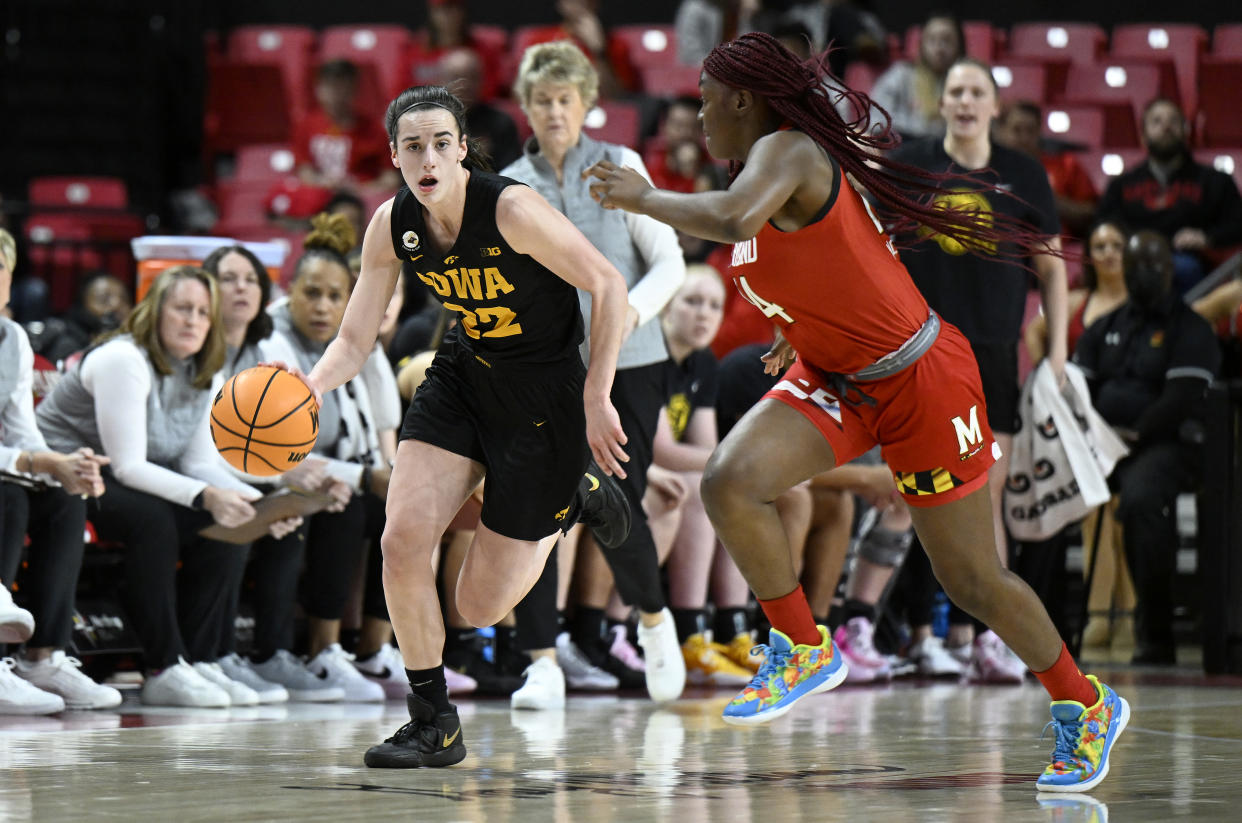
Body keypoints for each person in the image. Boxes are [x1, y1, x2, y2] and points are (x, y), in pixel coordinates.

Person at [585, 33, 1127, 791]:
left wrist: (642, 195)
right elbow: (825, 258)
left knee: (970, 577)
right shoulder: (762, 166)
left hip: (921, 380)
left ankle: (1084, 700)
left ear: (745, 101)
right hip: (837, 372)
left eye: (707, 104)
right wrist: (791, 326)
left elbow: (739, 221)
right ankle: (803, 645)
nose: (699, 119)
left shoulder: (792, 151)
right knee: (729, 480)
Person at [286, 85, 633, 768]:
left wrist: (598, 394)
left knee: (475, 605)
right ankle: (432, 721)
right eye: (413, 145)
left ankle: (572, 498)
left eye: (441, 142)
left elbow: (608, 285)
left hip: (545, 396)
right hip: (463, 376)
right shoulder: (392, 222)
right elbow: (354, 341)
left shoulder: (510, 209)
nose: (428, 156)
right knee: (402, 538)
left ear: (462, 149)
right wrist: (307, 388)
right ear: (393, 155)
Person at [501, 40, 687, 708]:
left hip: (632, 366)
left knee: (614, 502)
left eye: (565, 100)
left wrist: (629, 314)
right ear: (525, 107)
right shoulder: (510, 187)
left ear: (587, 105)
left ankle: (654, 618)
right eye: (542, 100)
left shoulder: (620, 165)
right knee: (533, 510)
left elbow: (670, 262)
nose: (554, 111)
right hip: (547, 375)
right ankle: (541, 660)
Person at [887, 57, 1070, 681]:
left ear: (994, 106)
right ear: (942, 104)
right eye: (956, 92)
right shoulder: (910, 165)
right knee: (921, 488)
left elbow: (1052, 268)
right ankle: (930, 633)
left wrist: (1060, 351)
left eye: (977, 93)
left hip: (991, 356)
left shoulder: (1022, 173)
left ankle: (991, 637)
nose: (966, 102)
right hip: (921, 350)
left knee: (983, 491)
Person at [34, 266, 273, 708]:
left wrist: (259, 504)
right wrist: (208, 496)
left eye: (203, 312)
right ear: (155, 311)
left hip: (122, 478)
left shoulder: (206, 372)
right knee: (155, 520)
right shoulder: (123, 359)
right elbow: (127, 467)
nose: (193, 321)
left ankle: (201, 660)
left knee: (228, 520)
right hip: (60, 474)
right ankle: (162, 666)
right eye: (182, 309)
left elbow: (197, 462)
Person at [1073, 230, 1220, 665]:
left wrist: (1133, 434)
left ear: (1171, 270)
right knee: (1046, 487)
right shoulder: (1105, 327)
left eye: (1154, 265)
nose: (1144, 274)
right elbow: (1078, 391)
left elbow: (1183, 398)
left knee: (1140, 499)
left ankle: (1155, 634)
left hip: (1166, 445)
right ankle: (1045, 630)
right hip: (1102, 445)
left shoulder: (1191, 327)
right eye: (1137, 266)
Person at [0, 229, 118, 714]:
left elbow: (22, 431)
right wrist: (32, 462)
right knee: (8, 490)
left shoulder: (12, 340)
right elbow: (21, 456)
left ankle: (42, 658)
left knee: (64, 495)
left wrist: (64, 466)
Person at [650, 264, 755, 685]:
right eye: (691, 302)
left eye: (714, 305)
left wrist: (741, 470)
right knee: (698, 487)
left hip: (664, 469)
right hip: (631, 466)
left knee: (730, 487)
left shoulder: (704, 362)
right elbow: (664, 450)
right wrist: (745, 462)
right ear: (665, 308)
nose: (703, 314)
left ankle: (733, 630)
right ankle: (689, 633)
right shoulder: (649, 352)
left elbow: (707, 448)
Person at [1097, 98, 1242, 296]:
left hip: (1193, 267)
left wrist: (1207, 238)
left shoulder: (1215, 181)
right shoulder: (1121, 185)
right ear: (1143, 135)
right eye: (1156, 121)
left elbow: (1237, 224)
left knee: (1184, 268)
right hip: (1135, 263)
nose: (1166, 127)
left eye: (1174, 121)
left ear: (1186, 132)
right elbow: (1103, 225)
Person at [293, 60, 401, 195]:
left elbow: (390, 177)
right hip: (319, 197)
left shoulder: (373, 130)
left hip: (362, 200)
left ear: (354, 90)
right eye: (330, 87)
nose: (337, 94)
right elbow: (304, 170)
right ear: (318, 89)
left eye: (343, 87)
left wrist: (361, 190)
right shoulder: (306, 126)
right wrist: (322, 184)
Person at [994, 100, 1098, 239]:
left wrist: (1052, 202)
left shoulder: (1066, 165)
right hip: (1002, 251)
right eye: (1017, 130)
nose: (1024, 138)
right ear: (1002, 131)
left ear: (1039, 132)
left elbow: (1094, 213)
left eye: (1030, 130)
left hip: (1057, 250)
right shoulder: (987, 171)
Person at [868, 12, 963, 140]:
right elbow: (876, 122)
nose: (939, 48)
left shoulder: (967, 84)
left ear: (960, 46)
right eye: (932, 40)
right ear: (921, 44)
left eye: (947, 40)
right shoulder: (900, 75)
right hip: (900, 149)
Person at [39, 272, 131, 365]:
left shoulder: (131, 344)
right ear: (82, 305)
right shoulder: (67, 344)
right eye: (103, 299)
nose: (116, 305)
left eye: (124, 299)